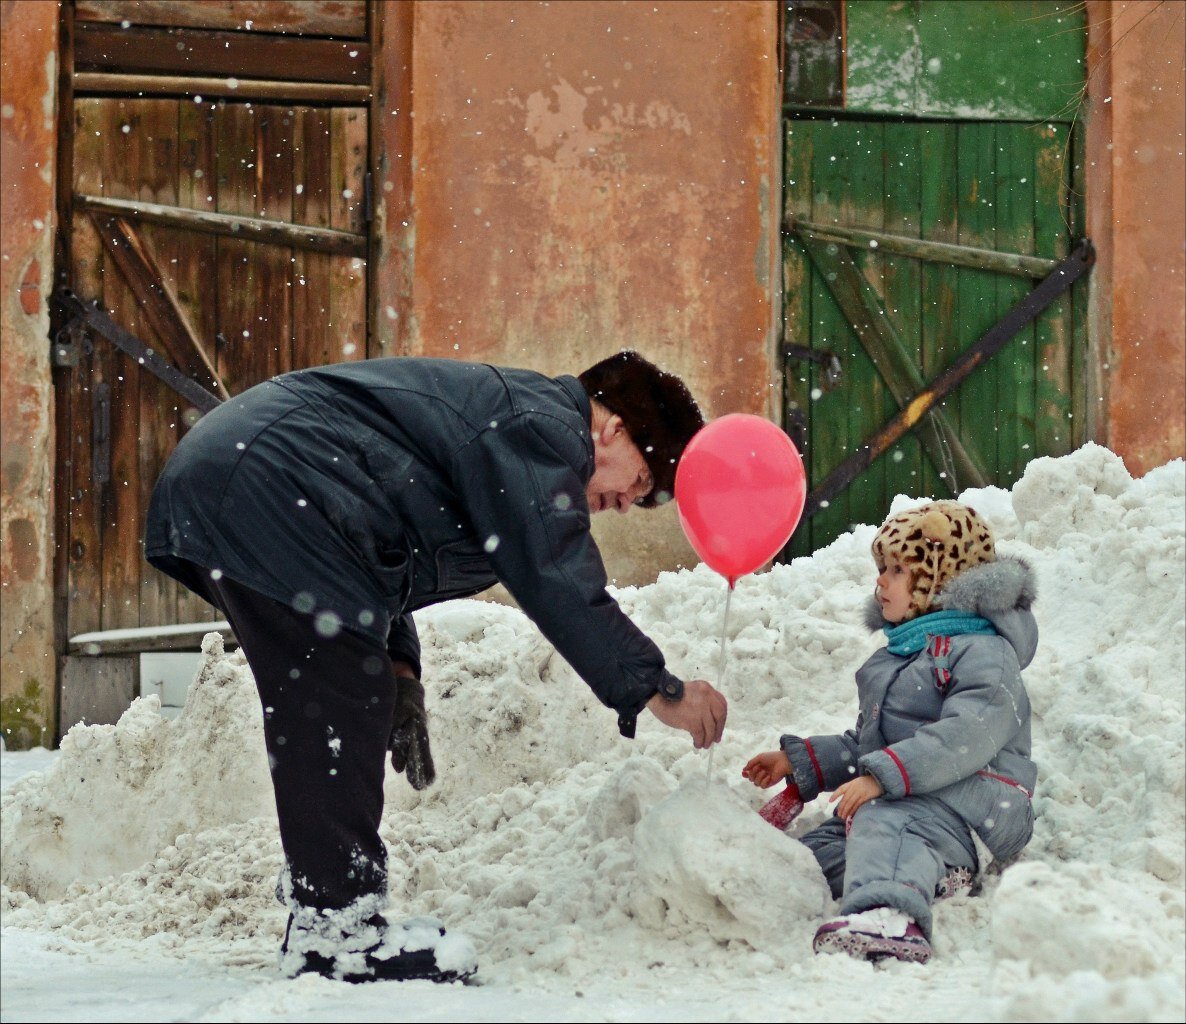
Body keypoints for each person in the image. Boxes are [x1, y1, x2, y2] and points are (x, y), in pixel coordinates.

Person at [144, 350, 727, 983]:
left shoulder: (517, 427)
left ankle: (332, 917)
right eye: (641, 482)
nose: (626, 504)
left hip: (252, 477)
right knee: (335, 699)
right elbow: (555, 577)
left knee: (341, 692)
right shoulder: (544, 428)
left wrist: (400, 671)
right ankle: (336, 930)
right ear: (613, 428)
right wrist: (658, 688)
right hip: (271, 479)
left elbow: (381, 548)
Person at [742, 501, 1037, 963]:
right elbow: (869, 745)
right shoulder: (898, 656)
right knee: (821, 849)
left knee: (882, 820)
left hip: (976, 806)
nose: (881, 581)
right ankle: (930, 875)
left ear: (940, 577)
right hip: (911, 796)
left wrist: (883, 777)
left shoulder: (985, 653)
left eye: (898, 570)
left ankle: (891, 917)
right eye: (882, 568)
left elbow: (964, 736)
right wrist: (801, 762)